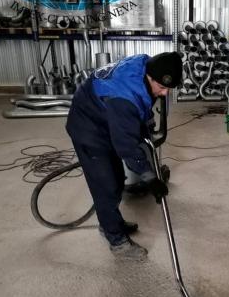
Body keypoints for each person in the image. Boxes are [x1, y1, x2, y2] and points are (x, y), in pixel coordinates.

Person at [66, 51, 183, 258]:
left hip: (106, 115)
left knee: (118, 179)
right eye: (162, 87)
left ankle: (110, 222)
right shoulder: (124, 99)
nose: (165, 93)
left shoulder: (145, 63)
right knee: (106, 184)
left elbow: (137, 113)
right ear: (150, 77)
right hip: (88, 127)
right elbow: (127, 147)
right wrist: (150, 178)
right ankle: (116, 239)